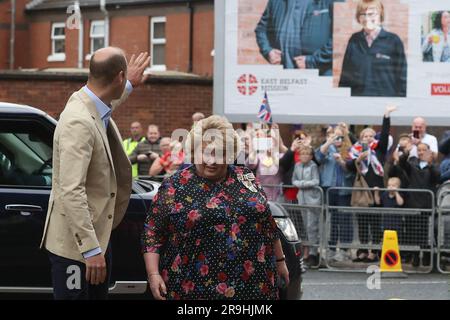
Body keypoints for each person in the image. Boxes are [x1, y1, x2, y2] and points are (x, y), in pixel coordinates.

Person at [40, 48, 150, 300]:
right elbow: (71, 189)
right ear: (118, 77)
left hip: (96, 239)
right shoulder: (79, 122)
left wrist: (129, 84)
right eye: (124, 79)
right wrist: (90, 250)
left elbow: (107, 104)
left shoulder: (88, 102)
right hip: (77, 248)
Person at [141, 115, 289, 300]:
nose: (211, 160)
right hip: (194, 287)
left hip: (254, 284)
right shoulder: (175, 185)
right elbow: (152, 231)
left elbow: (267, 222)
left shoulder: (246, 176)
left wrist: (281, 260)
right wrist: (153, 275)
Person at [347, 105, 397, 262]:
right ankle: (362, 250)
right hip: (362, 192)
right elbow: (348, 167)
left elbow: (385, 134)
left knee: (375, 223)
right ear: (361, 138)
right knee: (362, 223)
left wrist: (386, 116)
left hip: (376, 191)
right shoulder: (355, 152)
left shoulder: (379, 150)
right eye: (365, 136)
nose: (368, 138)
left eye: (371, 135)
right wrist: (358, 160)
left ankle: (374, 251)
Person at [338, 0, 407, 97]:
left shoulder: (393, 41)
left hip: (385, 105)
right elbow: (345, 77)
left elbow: (403, 79)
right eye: (363, 14)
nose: (367, 18)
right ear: (358, 17)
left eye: (371, 14)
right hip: (358, 104)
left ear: (380, 15)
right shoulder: (354, 41)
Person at [254, 0, 338, 75]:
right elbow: (261, 29)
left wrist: (312, 61)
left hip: (319, 74)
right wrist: (268, 51)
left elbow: (337, 39)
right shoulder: (276, 1)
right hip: (284, 74)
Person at [392, 143, 440, 267]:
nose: (421, 152)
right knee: (412, 231)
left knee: (425, 232)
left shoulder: (433, 166)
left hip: (426, 204)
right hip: (412, 203)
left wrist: (430, 164)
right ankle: (414, 255)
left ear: (429, 152)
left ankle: (426, 255)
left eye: (424, 150)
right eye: (419, 150)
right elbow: (402, 163)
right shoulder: (412, 165)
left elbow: (437, 178)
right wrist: (406, 152)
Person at [315, 125, 355, 262]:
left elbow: (352, 171)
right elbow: (318, 157)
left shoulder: (350, 150)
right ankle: (331, 248)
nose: (338, 139)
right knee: (331, 220)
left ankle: (344, 250)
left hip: (344, 190)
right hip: (329, 188)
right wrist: (329, 141)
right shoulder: (328, 148)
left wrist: (342, 162)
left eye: (340, 137)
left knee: (344, 219)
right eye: (335, 136)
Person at [292, 145, 321, 267]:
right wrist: (301, 184)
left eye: (307, 154)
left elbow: (316, 181)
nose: (304, 156)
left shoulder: (313, 166)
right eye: (302, 154)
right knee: (304, 227)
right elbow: (294, 180)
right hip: (301, 200)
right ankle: (306, 253)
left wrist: (302, 184)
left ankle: (314, 253)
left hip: (312, 199)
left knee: (312, 227)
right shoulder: (297, 166)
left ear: (310, 156)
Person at [246, 123, 288, 201]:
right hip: (261, 196)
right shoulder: (259, 156)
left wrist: (277, 133)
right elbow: (250, 164)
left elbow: (288, 156)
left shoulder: (280, 156)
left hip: (278, 196)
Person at [279, 130, 312, 203]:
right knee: (292, 213)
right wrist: (292, 149)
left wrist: (307, 147)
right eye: (297, 139)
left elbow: (315, 162)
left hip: (306, 190)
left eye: (302, 138)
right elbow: (283, 164)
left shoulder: (311, 153)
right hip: (292, 190)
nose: (300, 141)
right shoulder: (290, 152)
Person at [373, 177, 404, 242]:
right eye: (389, 185)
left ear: (398, 187)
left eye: (393, 186)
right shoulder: (385, 194)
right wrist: (376, 193)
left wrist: (396, 192)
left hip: (397, 224)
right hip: (386, 223)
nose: (391, 187)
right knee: (387, 240)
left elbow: (400, 203)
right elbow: (378, 202)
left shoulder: (399, 194)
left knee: (396, 241)